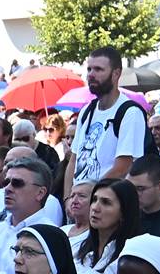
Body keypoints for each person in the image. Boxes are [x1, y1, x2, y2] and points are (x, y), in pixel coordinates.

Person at [63, 45, 148, 204]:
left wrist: (92, 198)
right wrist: (68, 198)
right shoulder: (87, 110)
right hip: (79, 202)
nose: (91, 75)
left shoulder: (130, 112)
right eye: (89, 69)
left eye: (98, 69)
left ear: (116, 73)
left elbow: (123, 166)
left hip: (106, 202)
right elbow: (73, 160)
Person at [0, 154, 61, 274]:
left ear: (40, 193)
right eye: (6, 182)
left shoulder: (50, 237)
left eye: (17, 183)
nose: (7, 189)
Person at [70, 177, 140, 274]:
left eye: (106, 202)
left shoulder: (131, 257)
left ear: (124, 212)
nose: (95, 208)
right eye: (94, 200)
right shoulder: (78, 248)